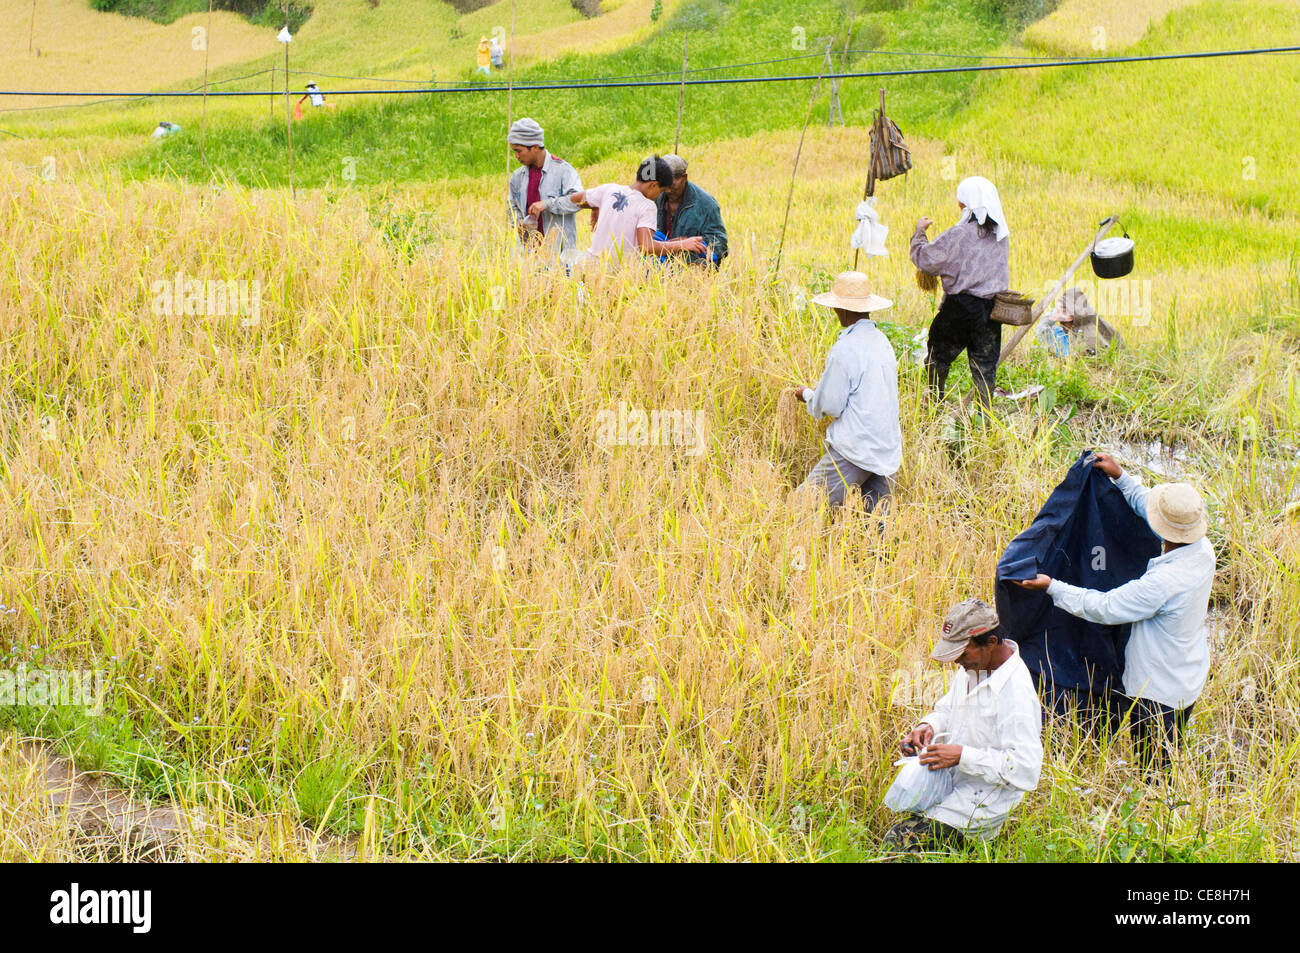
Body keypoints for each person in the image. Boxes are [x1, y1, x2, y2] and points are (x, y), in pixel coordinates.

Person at [1014, 453, 1213, 772]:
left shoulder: (1163, 583)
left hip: (1158, 690)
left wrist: (1053, 586)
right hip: (1187, 673)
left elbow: (1104, 608)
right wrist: (1122, 477)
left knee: (1155, 769)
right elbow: (1151, 507)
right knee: (1167, 749)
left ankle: (1156, 815)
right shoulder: (1202, 549)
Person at [883, 599, 1043, 851]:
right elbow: (949, 707)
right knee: (901, 836)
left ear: (991, 643)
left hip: (984, 800)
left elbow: (1025, 769)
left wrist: (962, 756)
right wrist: (929, 726)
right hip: (953, 783)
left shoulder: (1016, 693)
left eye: (962, 651)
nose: (956, 660)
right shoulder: (975, 666)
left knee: (902, 844)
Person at [784, 271, 901, 511]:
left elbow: (829, 406)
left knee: (801, 508)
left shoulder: (845, 349)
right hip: (885, 448)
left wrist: (807, 395)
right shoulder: (882, 342)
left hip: (856, 449)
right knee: (879, 529)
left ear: (841, 310)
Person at [910, 176, 1011, 408]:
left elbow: (925, 260)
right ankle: (985, 420)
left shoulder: (959, 235)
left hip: (960, 308)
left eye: (960, 202)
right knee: (985, 369)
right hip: (990, 311)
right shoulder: (1001, 236)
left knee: (938, 358)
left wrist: (919, 232)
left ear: (966, 205)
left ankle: (933, 406)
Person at [565, 156, 707, 263]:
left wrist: (595, 205)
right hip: (617, 278)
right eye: (661, 190)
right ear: (653, 185)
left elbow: (575, 198)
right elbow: (646, 247)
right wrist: (683, 244)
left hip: (590, 267)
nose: (659, 196)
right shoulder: (647, 206)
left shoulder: (610, 189)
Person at [506, 118, 584, 257]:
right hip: (528, 256)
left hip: (559, 256)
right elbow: (512, 206)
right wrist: (518, 221)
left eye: (519, 151)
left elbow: (579, 202)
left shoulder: (564, 171)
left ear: (535, 147)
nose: (516, 156)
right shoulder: (517, 177)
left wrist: (547, 204)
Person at [655, 154, 728, 267]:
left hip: (691, 265)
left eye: (672, 185)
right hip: (659, 262)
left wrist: (687, 242)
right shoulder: (655, 197)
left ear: (684, 178)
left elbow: (720, 243)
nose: (668, 190)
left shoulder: (706, 204)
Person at [1036, 287, 1123, 358]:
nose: (1061, 324)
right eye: (1060, 321)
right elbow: (1042, 330)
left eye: (1063, 321)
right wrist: (1057, 309)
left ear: (1074, 320)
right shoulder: (1059, 334)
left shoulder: (1090, 334)